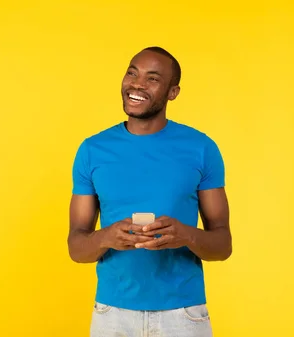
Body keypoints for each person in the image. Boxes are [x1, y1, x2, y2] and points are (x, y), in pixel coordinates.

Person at [67, 46, 232, 337]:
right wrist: (107, 236)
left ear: (173, 92)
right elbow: (76, 248)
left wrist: (186, 235)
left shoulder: (201, 148)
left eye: (153, 78)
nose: (137, 84)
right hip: (112, 315)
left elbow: (222, 245)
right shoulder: (92, 150)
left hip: (183, 315)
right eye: (132, 72)